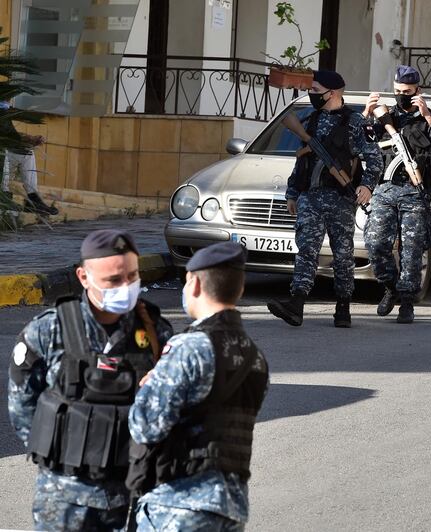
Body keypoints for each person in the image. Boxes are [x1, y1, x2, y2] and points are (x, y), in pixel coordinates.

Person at [6, 229, 172, 531]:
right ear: (83, 277)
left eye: (132, 277)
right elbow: (22, 403)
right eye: (113, 280)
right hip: (65, 498)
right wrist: (59, 451)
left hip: (132, 494)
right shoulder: (50, 330)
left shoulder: (154, 331)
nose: (126, 287)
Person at [127, 242, 269, 531]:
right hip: (230, 507)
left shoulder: (189, 348)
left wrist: (147, 387)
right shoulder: (255, 357)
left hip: (179, 505)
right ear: (239, 291)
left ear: (193, 284)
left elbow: (145, 426)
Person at [267, 70, 383, 328]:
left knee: (342, 254)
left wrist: (367, 186)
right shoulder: (310, 120)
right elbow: (302, 162)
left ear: (333, 93)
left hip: (340, 198)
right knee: (306, 249)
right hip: (311, 196)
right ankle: (296, 304)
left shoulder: (355, 122)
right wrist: (293, 193)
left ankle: (343, 306)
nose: (312, 95)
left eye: (316, 91)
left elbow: (375, 157)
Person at [361, 65, 431, 323]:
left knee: (412, 249)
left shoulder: (429, 118)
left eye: (407, 91)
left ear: (418, 91)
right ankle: (390, 286)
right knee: (375, 243)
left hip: (415, 192)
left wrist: (426, 114)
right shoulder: (385, 117)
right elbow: (358, 143)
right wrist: (367, 114)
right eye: (398, 91)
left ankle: (407, 301)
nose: (401, 95)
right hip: (384, 189)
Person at [0, 100, 59, 215]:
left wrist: (31, 139)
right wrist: (30, 139)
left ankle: (33, 200)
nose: (9, 102)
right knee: (4, 152)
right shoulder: (2, 112)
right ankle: (4, 197)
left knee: (26, 153)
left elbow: (11, 135)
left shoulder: (5, 113)